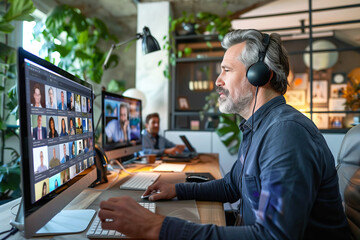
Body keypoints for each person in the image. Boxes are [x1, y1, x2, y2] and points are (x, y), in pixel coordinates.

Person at [98, 29, 350, 239]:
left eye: (226, 70)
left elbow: (273, 237)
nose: (217, 81)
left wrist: (156, 226)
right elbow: (232, 186)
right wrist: (178, 190)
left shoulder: (285, 134)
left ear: (259, 76)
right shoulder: (258, 126)